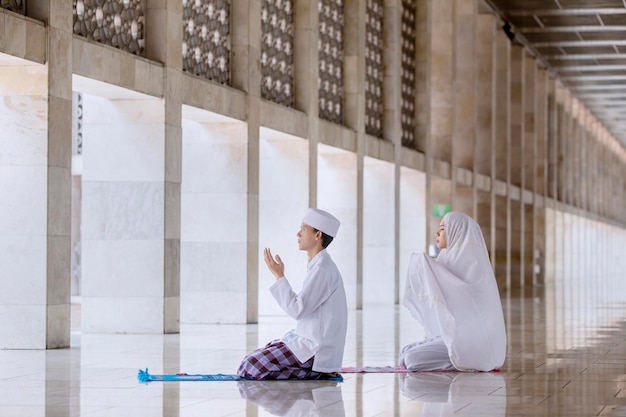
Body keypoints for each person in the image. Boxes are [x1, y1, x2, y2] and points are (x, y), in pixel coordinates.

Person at [237, 208, 348, 380]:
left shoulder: (322, 270)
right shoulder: (319, 265)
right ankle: (318, 370)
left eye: (303, 229)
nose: (298, 234)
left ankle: (317, 371)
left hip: (315, 350)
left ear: (318, 235)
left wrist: (279, 276)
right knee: (252, 360)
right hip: (308, 340)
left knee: (250, 367)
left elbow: (297, 310)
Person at [399, 211, 506, 372]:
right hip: (461, 337)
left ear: (457, 232)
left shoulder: (473, 265)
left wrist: (424, 264)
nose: (437, 233)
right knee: (404, 352)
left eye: (443, 228)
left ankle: (463, 361)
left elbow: (459, 293)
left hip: (476, 343)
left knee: (411, 359)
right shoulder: (447, 258)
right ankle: (456, 359)